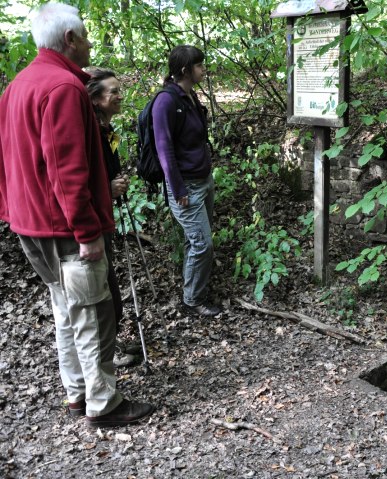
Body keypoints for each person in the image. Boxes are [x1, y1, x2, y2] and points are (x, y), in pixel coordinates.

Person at [0, 2, 154, 427]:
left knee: (66, 310)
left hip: (30, 225)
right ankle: (103, 403)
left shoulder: (17, 87)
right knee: (92, 313)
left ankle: (76, 393)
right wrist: (87, 231)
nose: (88, 44)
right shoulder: (63, 89)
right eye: (85, 36)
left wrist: (10, 210)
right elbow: (67, 170)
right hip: (65, 227)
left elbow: (6, 161)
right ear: (70, 39)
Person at [152, 45, 221, 317]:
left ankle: (193, 289)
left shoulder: (189, 96)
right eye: (199, 65)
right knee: (202, 244)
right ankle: (192, 300)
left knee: (197, 242)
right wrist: (178, 188)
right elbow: (164, 148)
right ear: (185, 70)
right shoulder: (166, 102)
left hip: (203, 180)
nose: (204, 69)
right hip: (186, 187)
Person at [86, 68, 141, 368]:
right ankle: (107, 352)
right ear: (95, 99)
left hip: (104, 215)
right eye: (113, 92)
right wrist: (107, 189)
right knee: (105, 293)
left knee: (110, 287)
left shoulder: (107, 129)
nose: (120, 96)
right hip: (91, 220)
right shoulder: (90, 131)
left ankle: (112, 343)